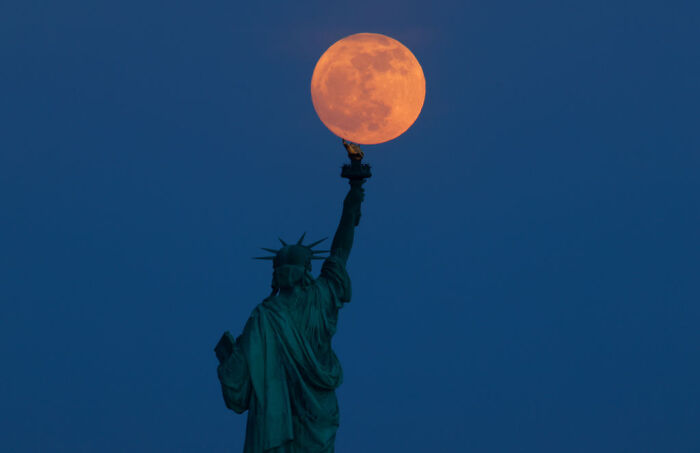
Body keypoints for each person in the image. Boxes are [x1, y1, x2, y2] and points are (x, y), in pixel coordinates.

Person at [216, 174, 365, 453]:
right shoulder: (317, 299)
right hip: (318, 414)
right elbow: (340, 252)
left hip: (283, 423)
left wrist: (228, 358)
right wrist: (353, 198)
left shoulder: (263, 316)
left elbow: (238, 383)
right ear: (307, 270)